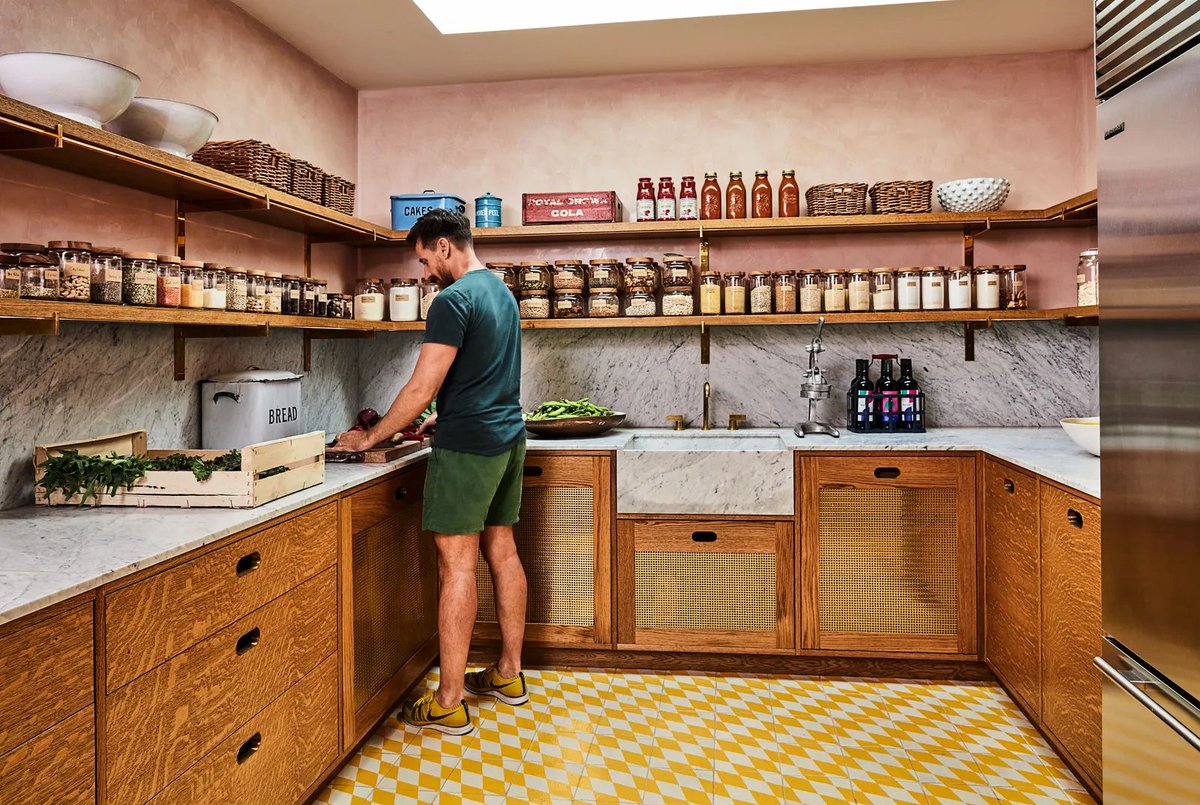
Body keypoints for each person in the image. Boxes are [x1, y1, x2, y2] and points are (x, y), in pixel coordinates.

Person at [332, 208, 529, 736]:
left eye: (424, 260)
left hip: (468, 449)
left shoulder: (453, 299)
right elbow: (486, 372)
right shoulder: (501, 292)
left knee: (456, 565)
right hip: (508, 437)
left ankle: (448, 700)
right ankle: (509, 674)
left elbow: (420, 387)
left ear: (444, 246)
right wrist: (454, 405)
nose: (424, 273)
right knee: (503, 550)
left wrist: (370, 437)